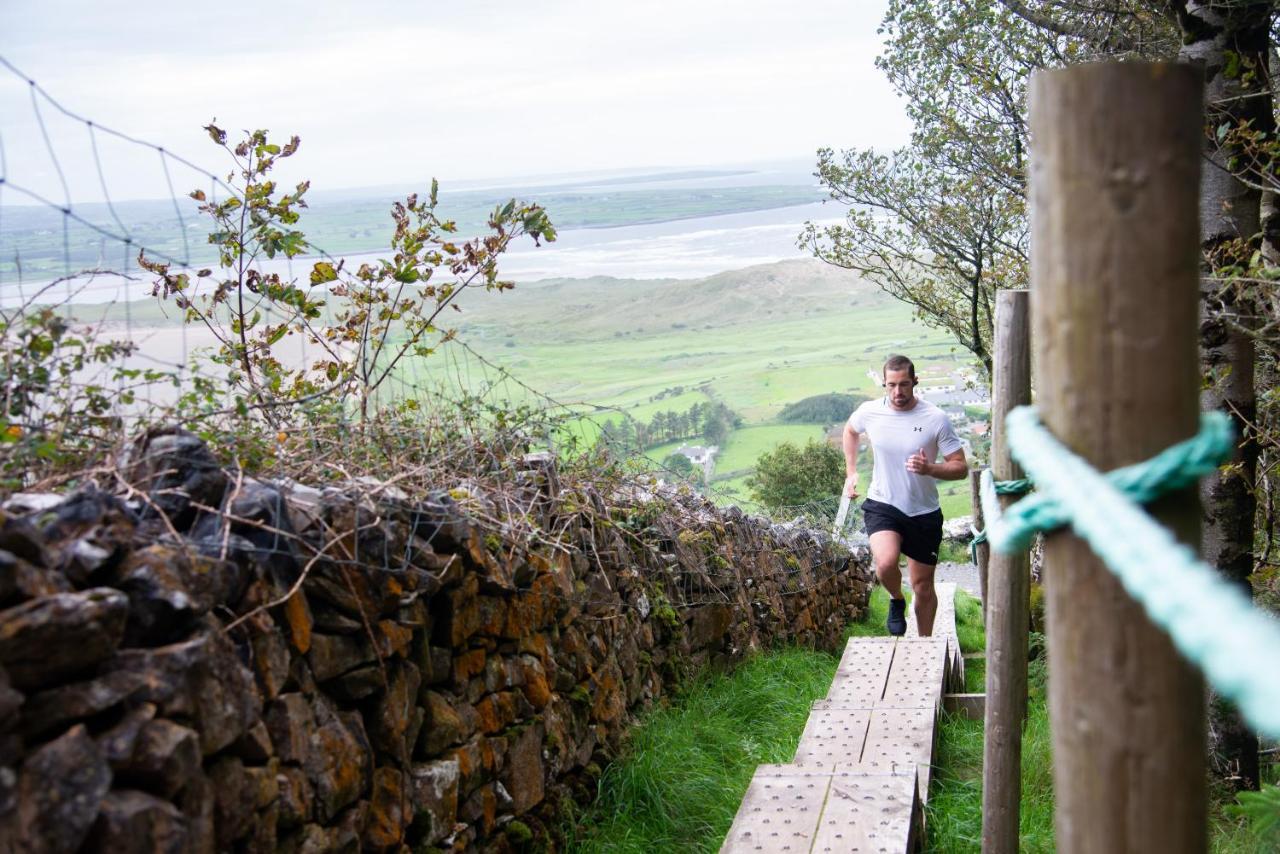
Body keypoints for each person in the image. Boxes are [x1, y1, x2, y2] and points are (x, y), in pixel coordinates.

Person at [843, 355, 968, 636]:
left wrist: (930, 468)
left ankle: (925, 643)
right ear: (884, 384)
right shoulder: (870, 412)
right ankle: (896, 598)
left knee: (923, 586)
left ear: (915, 382)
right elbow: (850, 431)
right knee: (885, 564)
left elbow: (960, 467)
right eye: (891, 386)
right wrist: (850, 472)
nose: (897, 392)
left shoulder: (935, 418)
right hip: (883, 503)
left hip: (923, 512)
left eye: (904, 385)